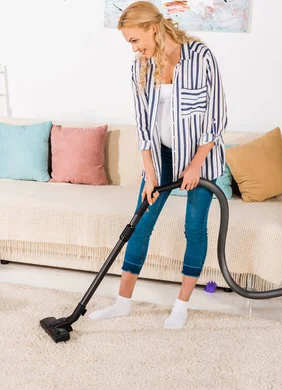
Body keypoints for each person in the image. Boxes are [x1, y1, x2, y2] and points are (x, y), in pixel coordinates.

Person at [89, 1, 227, 328]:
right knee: (140, 223)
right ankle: (122, 302)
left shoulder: (200, 57)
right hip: (161, 156)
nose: (134, 49)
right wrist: (150, 173)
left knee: (194, 227)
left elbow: (216, 117)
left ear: (153, 28)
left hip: (200, 159)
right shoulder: (141, 66)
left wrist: (195, 165)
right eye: (129, 44)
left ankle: (181, 305)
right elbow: (143, 126)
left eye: (135, 40)